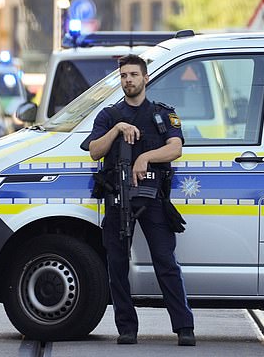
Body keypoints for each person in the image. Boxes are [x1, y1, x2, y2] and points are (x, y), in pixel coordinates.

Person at [83, 54, 195, 346]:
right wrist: (118, 129)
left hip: (152, 197)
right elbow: (95, 150)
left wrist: (145, 157)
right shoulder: (108, 115)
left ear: (146, 78)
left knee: (165, 262)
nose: (128, 80)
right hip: (118, 199)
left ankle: (184, 327)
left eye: (133, 75)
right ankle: (127, 328)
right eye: (123, 76)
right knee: (117, 265)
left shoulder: (161, 113)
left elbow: (175, 148)